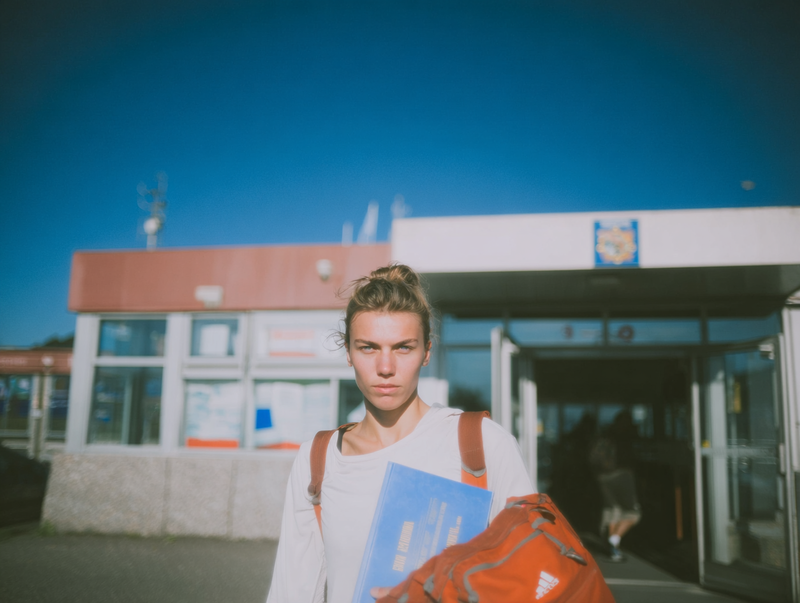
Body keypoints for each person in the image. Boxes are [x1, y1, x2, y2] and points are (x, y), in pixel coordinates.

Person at [266, 264, 533, 603]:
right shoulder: (317, 459)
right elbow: (292, 591)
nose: (386, 367)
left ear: (427, 352)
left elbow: (529, 576)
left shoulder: (480, 443)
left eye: (403, 347)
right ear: (348, 352)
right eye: (368, 347)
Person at [590, 409, 641, 562]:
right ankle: (614, 539)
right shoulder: (625, 436)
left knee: (613, 509)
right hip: (622, 475)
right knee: (633, 513)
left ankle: (612, 547)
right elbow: (630, 457)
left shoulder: (605, 435)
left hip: (603, 476)